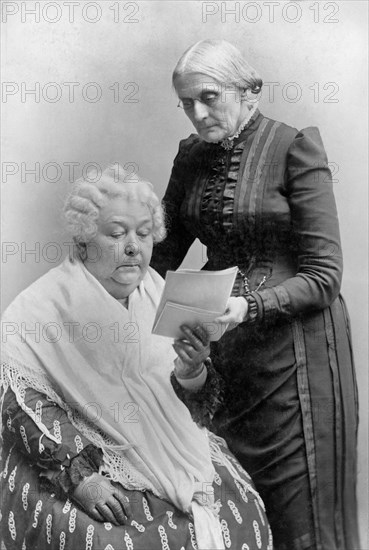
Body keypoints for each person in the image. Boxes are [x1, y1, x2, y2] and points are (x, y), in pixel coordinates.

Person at [150, 39, 359, 550]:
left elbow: (325, 274)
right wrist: (105, 288)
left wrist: (249, 306)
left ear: (251, 92)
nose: (197, 114)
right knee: (233, 515)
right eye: (186, 102)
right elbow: (162, 253)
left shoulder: (294, 147)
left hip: (296, 363)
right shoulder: (191, 156)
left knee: (300, 522)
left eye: (209, 97)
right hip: (223, 356)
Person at [0, 165, 272, 550]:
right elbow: (21, 407)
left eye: (143, 234)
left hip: (173, 445)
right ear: (82, 243)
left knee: (240, 512)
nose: (133, 247)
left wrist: (192, 370)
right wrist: (83, 479)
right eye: (115, 234)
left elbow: (195, 405)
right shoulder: (38, 308)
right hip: (83, 453)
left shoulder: (159, 294)